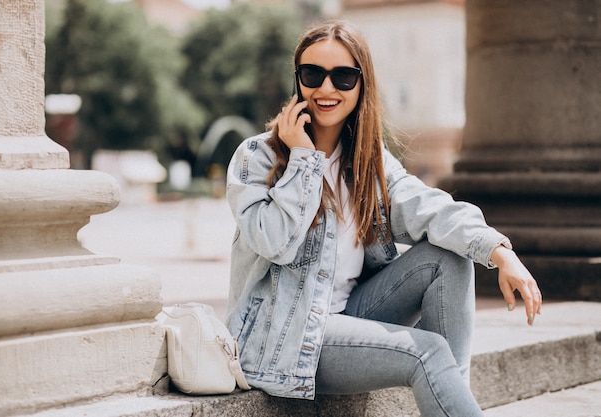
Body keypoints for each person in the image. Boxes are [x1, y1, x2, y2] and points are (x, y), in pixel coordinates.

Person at [224, 20, 542, 416]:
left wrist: (499, 250)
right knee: (427, 352)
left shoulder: (367, 161)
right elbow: (275, 242)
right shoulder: (258, 157)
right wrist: (304, 160)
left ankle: (452, 399)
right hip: (284, 337)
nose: (326, 89)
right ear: (298, 80)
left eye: (343, 77)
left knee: (451, 257)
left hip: (348, 315)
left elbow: (428, 206)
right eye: (312, 74)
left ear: (361, 85)